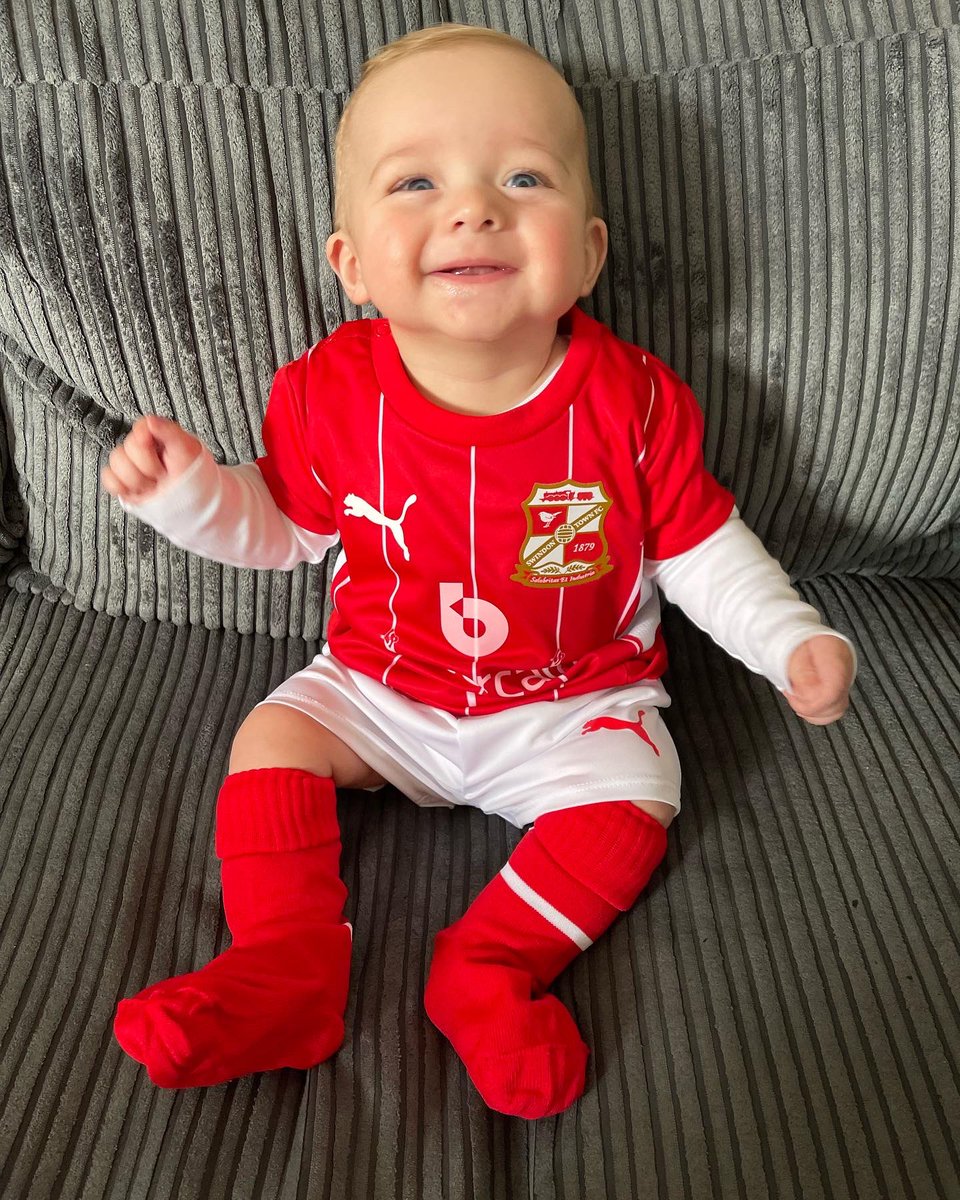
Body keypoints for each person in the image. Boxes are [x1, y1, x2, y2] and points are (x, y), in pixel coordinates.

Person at [100, 23, 856, 1119]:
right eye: (415, 180)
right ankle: (287, 966)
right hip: (380, 688)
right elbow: (284, 526)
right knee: (270, 739)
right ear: (350, 264)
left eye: (522, 177)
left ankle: (490, 967)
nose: (473, 208)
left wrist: (791, 637)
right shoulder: (327, 393)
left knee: (643, 795)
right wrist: (189, 497)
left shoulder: (632, 400)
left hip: (575, 701)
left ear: (588, 252)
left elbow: (695, 544)